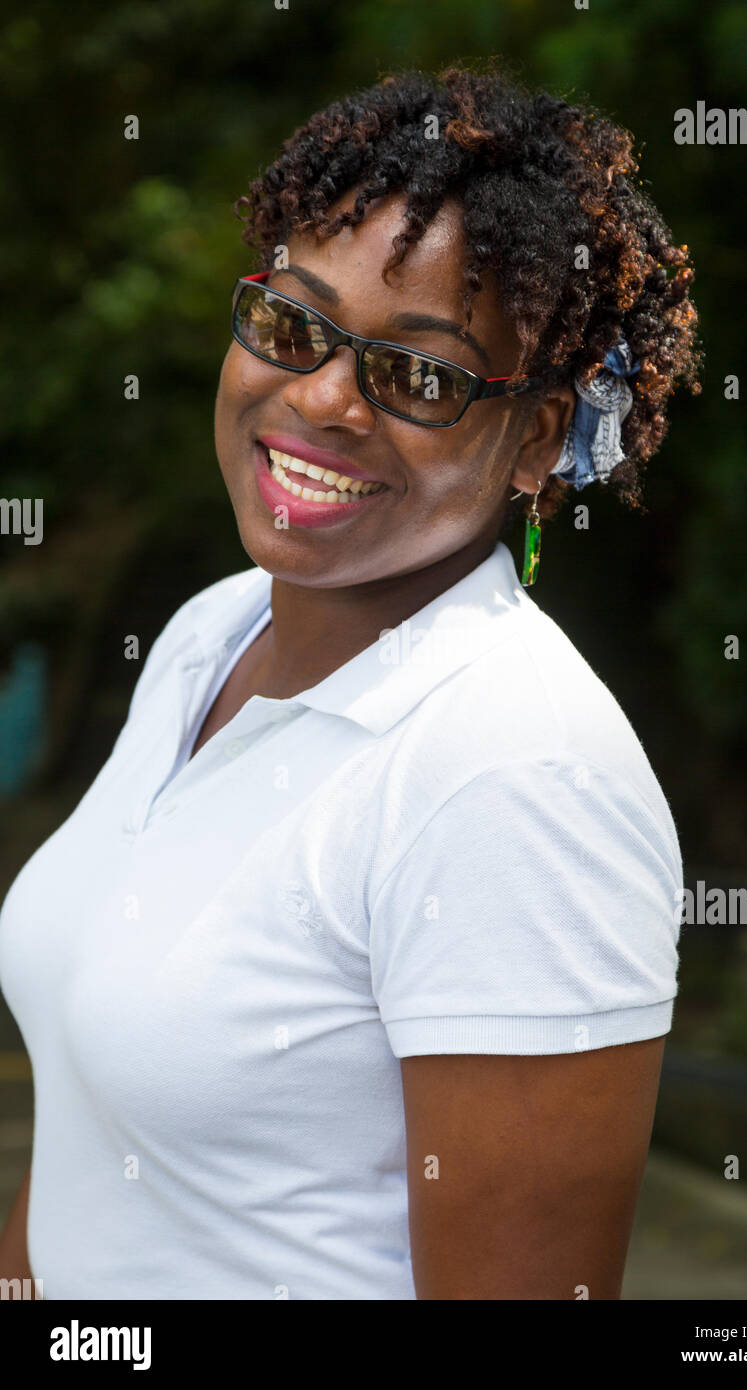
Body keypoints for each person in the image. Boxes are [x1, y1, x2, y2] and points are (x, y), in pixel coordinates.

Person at [0, 63, 700, 1300]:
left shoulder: (512, 775)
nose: (323, 397)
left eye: (420, 375)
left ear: (535, 439)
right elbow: (98, 1151)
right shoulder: (209, 635)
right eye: (292, 327)